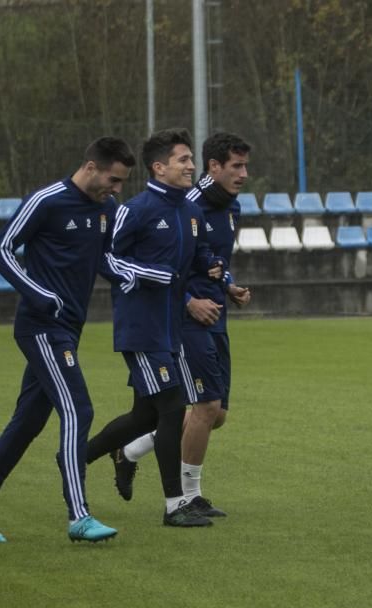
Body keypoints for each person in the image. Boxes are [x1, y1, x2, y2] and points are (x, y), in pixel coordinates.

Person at [0, 137, 133, 543]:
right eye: (113, 179)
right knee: (79, 410)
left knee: (28, 422)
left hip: (69, 328)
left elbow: (104, 259)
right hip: (40, 327)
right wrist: (38, 293)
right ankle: (79, 516)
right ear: (90, 166)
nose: (117, 189)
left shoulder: (104, 209)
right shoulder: (47, 200)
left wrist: (134, 275)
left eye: (122, 182)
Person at [84, 128, 223, 528]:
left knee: (144, 416)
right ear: (159, 167)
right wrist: (146, 273)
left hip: (171, 329)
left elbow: (195, 261)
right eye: (183, 160)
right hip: (142, 328)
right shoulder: (136, 209)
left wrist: (215, 270)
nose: (191, 166)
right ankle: (175, 505)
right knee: (174, 407)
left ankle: (76, 460)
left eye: (191, 159)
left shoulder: (191, 213)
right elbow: (107, 258)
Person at [110, 132, 252, 517]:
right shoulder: (187, 201)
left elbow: (207, 258)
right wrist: (189, 302)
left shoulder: (230, 207)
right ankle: (187, 497)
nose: (243, 174)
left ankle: (130, 450)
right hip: (185, 319)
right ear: (214, 166)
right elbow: (169, 266)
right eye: (236, 166)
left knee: (216, 413)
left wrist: (228, 285)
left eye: (245, 166)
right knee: (203, 406)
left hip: (216, 314)